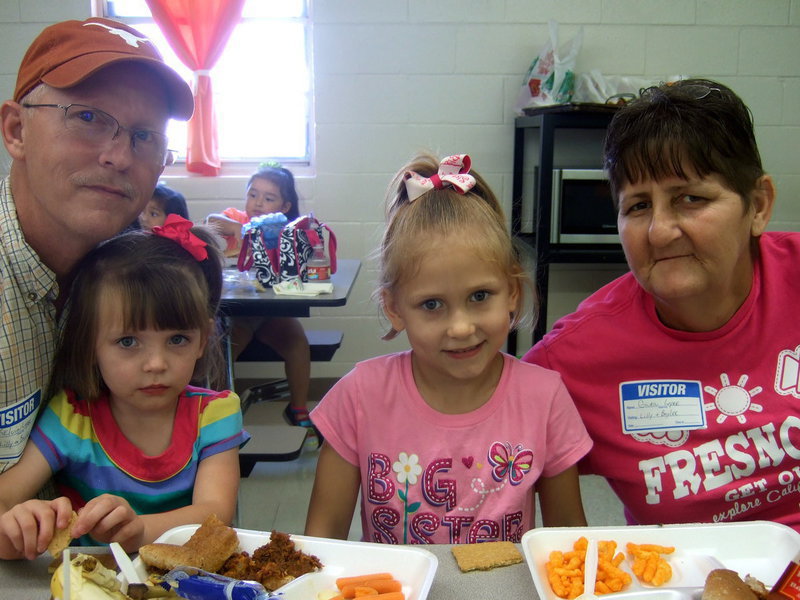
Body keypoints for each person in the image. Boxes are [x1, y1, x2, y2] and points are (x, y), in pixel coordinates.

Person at [521, 79, 800, 531]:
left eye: (691, 198)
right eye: (637, 206)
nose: (659, 231)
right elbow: (477, 433)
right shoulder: (570, 360)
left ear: (758, 206)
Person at [304, 153, 592, 544]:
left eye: (479, 296)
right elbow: (322, 542)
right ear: (394, 308)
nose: (461, 328)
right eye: (432, 304)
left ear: (512, 292)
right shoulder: (359, 396)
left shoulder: (545, 398)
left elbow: (570, 547)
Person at [0, 17, 193, 474]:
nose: (119, 157)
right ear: (16, 130)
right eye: (87, 117)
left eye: (144, 136)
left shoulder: (138, 276)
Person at [0, 217, 249, 560]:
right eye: (128, 341)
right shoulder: (72, 417)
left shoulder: (215, 415)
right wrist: (17, 525)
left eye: (177, 339)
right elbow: (6, 497)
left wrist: (140, 531)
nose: (156, 363)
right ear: (90, 344)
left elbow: (215, 515)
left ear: (203, 340)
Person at [206, 166, 317, 439]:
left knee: (297, 343)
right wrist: (243, 229)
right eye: (253, 194)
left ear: (285, 205)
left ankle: (298, 407)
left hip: (270, 312)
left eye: (269, 198)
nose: (258, 203)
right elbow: (211, 219)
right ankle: (219, 411)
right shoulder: (238, 219)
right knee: (225, 352)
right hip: (238, 313)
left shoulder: (287, 232)